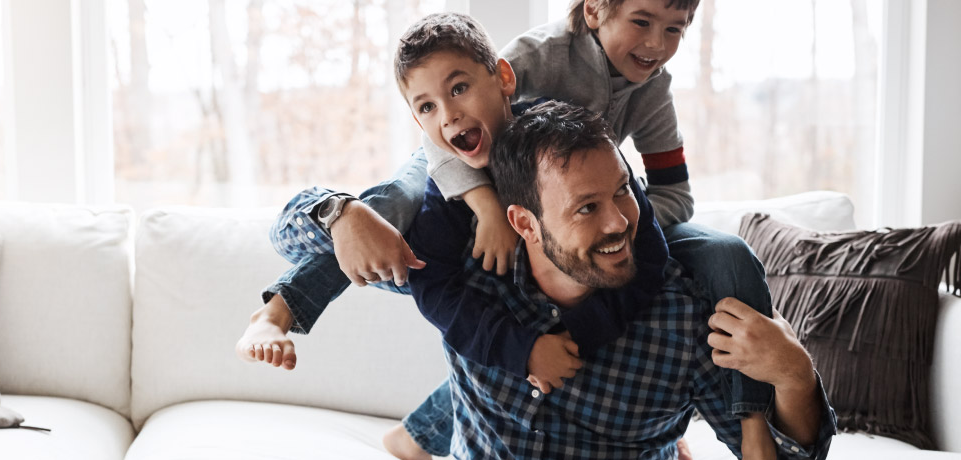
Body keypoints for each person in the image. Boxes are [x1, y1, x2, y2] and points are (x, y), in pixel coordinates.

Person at [239, 4, 775, 457]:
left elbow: (658, 229)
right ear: (593, 10)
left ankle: (416, 435)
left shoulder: (634, 105)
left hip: (553, 197)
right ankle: (279, 311)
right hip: (461, 175)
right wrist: (483, 206)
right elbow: (437, 283)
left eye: (674, 28)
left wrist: (606, 223)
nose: (656, 43)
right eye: (641, 21)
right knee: (387, 209)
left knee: (726, 254)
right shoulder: (528, 65)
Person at [410, 101, 835, 459]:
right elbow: (377, 233)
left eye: (622, 191)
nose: (619, 222)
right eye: (586, 208)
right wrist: (343, 211)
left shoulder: (686, 320)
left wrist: (796, 376)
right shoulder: (467, 276)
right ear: (526, 224)